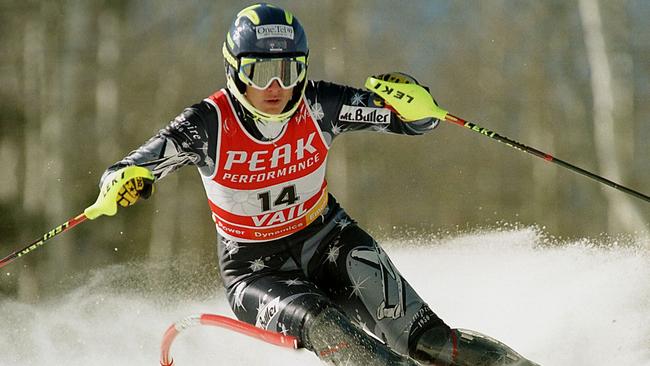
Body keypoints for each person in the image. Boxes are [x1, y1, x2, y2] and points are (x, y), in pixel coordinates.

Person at [97, 3, 539, 365]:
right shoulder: (208, 123)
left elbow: (414, 122)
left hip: (330, 239)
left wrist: (416, 103)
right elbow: (132, 167)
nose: (275, 87)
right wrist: (123, 182)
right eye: (259, 72)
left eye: (288, 71)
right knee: (345, 340)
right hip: (256, 270)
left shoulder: (320, 104)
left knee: (435, 344)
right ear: (234, 72)